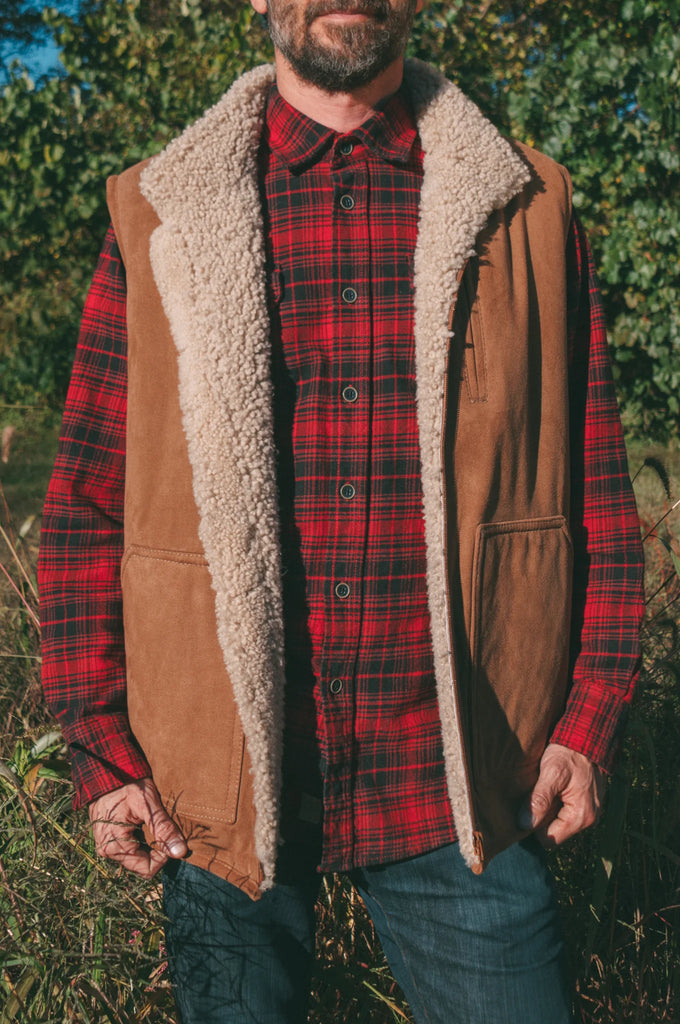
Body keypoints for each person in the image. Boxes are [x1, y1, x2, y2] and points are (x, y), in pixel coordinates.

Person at [38, 1, 645, 1021]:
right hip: (216, 785)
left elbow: (595, 496)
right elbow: (89, 502)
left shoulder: (528, 205)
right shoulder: (155, 208)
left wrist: (587, 722)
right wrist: (101, 749)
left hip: (465, 784)